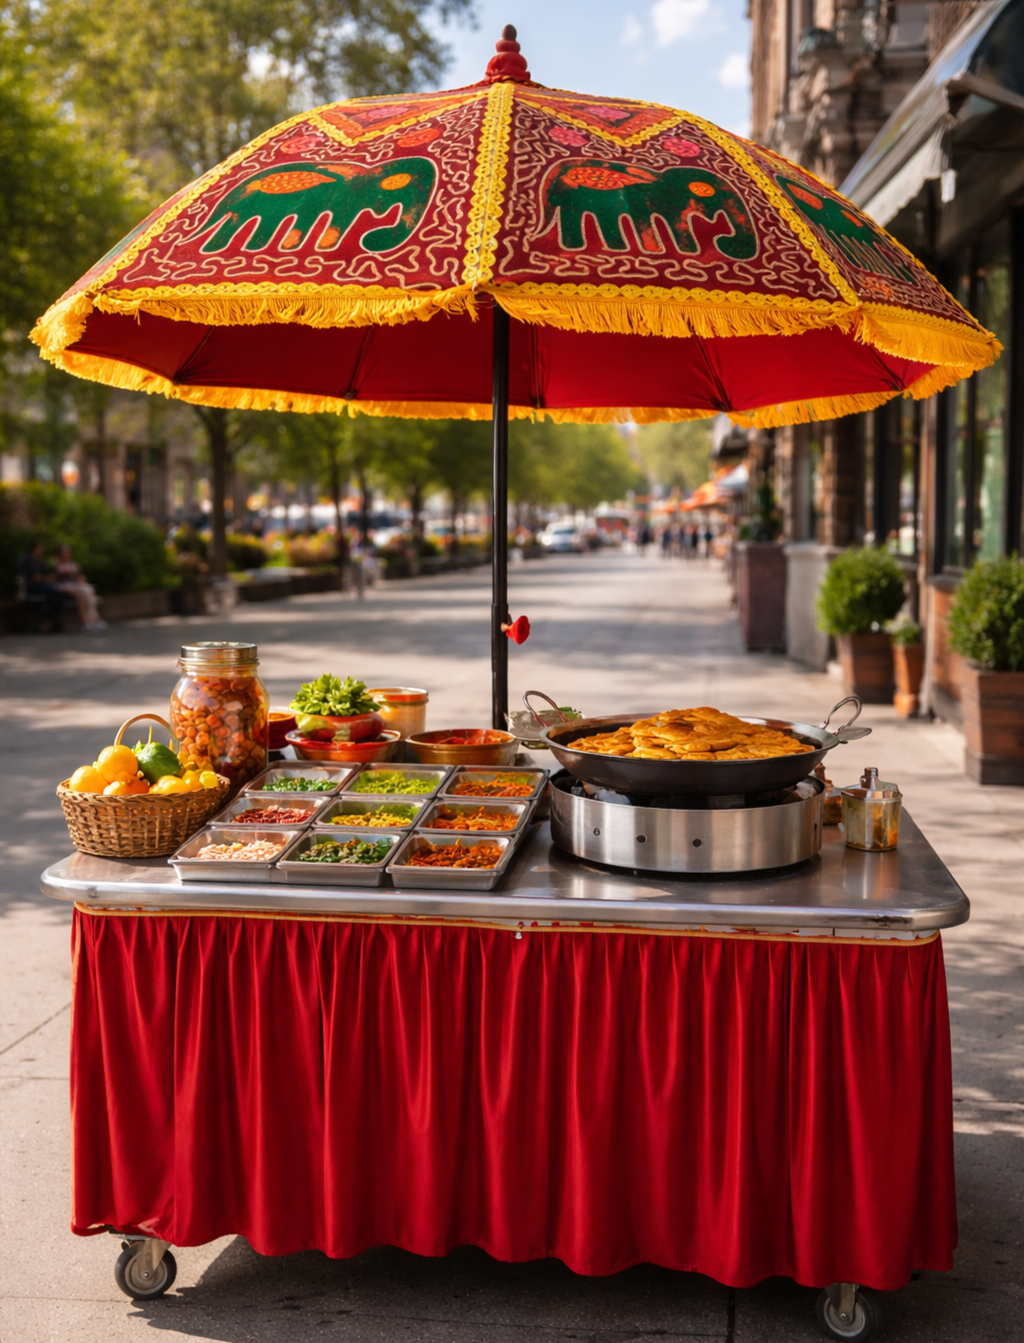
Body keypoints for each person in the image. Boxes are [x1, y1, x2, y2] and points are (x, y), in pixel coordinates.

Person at [16, 541, 73, 628]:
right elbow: (31, 577)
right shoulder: (26, 559)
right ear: (34, 548)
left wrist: (49, 577)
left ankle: (53, 619)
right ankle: (50, 617)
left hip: (43, 584)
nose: (41, 550)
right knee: (56, 592)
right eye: (40, 548)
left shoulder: (39, 559)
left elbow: (44, 573)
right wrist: (40, 578)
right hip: (33, 586)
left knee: (59, 593)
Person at [54, 544, 106, 629]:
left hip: (76, 585)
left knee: (89, 590)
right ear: (59, 554)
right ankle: (87, 621)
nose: (66, 554)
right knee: (82, 593)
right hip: (64, 586)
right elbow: (53, 577)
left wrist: (81, 578)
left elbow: (79, 577)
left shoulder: (73, 564)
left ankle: (95, 619)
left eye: (67, 552)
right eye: (64, 552)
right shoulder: (55, 564)